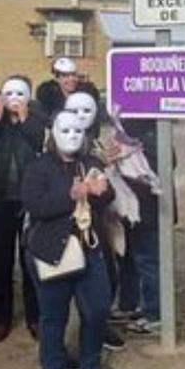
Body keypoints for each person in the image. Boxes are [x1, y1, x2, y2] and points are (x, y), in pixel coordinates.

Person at [22, 111, 115, 369]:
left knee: (97, 309)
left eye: (78, 131)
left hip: (90, 249)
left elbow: (108, 195)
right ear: (53, 134)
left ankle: (90, 365)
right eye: (65, 131)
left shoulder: (91, 162)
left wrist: (102, 190)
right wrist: (70, 196)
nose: (72, 136)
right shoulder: (38, 166)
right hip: (52, 251)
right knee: (54, 317)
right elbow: (35, 205)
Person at [0, 75, 45, 342]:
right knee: (1, 262)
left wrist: (25, 118)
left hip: (29, 202)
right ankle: (2, 318)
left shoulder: (36, 120)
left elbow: (39, 142)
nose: (14, 99)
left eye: (20, 94)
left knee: (31, 262)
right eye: (9, 94)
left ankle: (34, 317)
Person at [64, 91, 126, 352]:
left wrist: (104, 170)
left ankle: (96, 332)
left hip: (97, 227)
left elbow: (105, 188)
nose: (79, 119)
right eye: (74, 112)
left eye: (86, 111)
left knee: (106, 281)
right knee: (70, 294)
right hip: (66, 231)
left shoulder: (95, 144)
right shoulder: (57, 142)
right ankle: (69, 350)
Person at [35, 57, 101, 119]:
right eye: (65, 76)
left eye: (73, 75)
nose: (71, 79)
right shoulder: (49, 98)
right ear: (57, 79)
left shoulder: (86, 93)